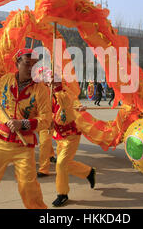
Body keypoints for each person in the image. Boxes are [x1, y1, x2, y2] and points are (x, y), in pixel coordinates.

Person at [0, 49, 51, 209]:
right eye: (27, 64)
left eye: (35, 65)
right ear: (17, 64)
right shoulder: (6, 80)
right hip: (0, 141)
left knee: (29, 186)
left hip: (24, 145)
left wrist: (23, 124)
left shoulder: (40, 90)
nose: (31, 68)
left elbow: (46, 120)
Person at [37, 67, 96, 207]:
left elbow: (68, 102)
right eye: (47, 82)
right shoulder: (45, 95)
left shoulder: (64, 92)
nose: (49, 84)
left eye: (52, 81)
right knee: (64, 165)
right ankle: (88, 172)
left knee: (61, 164)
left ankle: (62, 194)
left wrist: (79, 106)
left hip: (71, 136)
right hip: (59, 136)